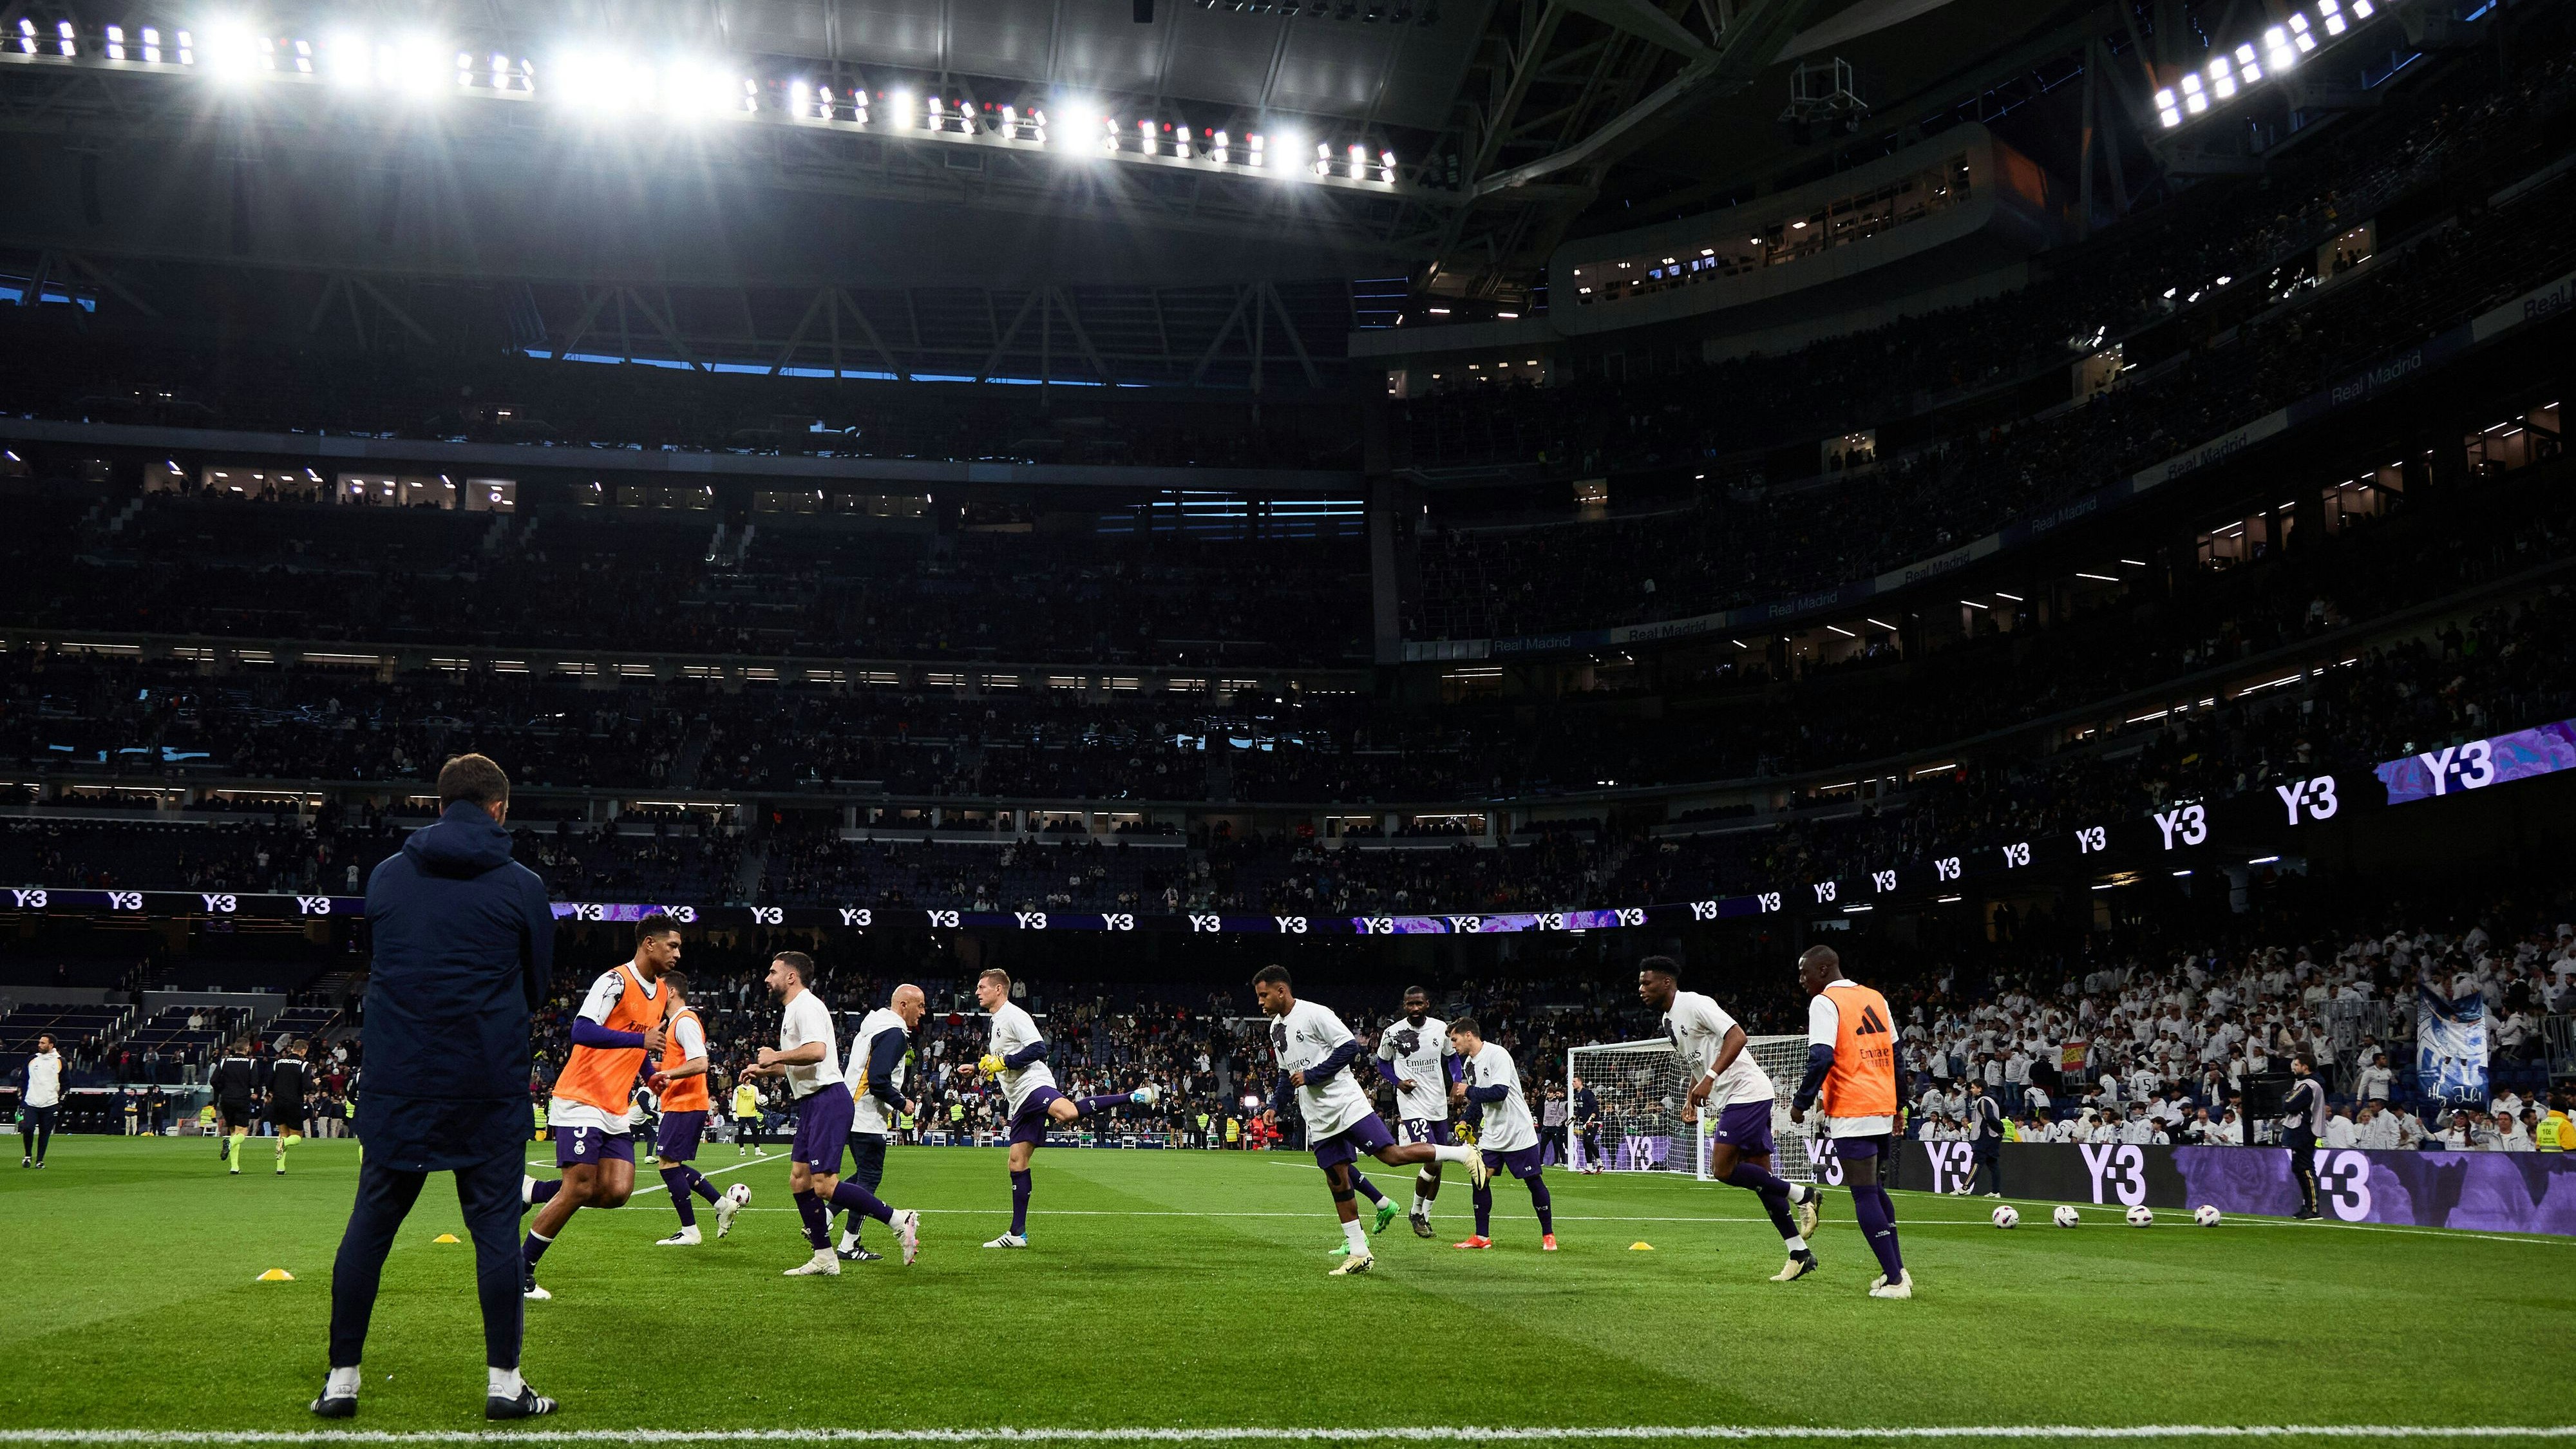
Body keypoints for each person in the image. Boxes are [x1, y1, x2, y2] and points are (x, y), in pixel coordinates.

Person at [313, 753, 558, 1422]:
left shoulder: (388, 877)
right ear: (500, 808)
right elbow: (537, 983)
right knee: (493, 1238)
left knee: (369, 1230)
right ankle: (505, 1384)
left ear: (436, 802)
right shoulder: (521, 885)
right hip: (485, 1083)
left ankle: (342, 1380)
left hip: (399, 1083)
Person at [1251, 965, 1486, 1276]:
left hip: (1346, 1104)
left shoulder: (1315, 1014)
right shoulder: (1275, 1028)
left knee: (1391, 1156)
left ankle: (1463, 1154)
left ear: (1281, 991)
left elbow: (1350, 1048)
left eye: (1264, 995)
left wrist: (1312, 1075)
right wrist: (1274, 1104)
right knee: (1337, 1180)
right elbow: (1285, 1072)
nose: (1260, 1002)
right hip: (1318, 1115)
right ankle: (1359, 1252)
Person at [518, 916, 679, 1298]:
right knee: (579, 1188)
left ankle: (529, 1192)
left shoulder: (659, 992)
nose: (677, 953)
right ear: (649, 944)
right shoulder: (614, 981)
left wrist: (649, 1074)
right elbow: (582, 1030)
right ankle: (520, 1269)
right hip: (582, 1097)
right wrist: (641, 1045)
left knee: (615, 1192)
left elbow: (640, 1040)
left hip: (614, 1105)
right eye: (672, 945)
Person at [1638, 957, 1822, 1280]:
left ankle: (1802, 1194)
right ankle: (1799, 1253)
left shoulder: (1695, 1003)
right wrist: (1690, 1097)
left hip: (1747, 1093)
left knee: (1722, 1169)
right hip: (1732, 1098)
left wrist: (1709, 1078)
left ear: (1666, 982)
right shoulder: (1669, 1020)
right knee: (1764, 1184)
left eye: (1646, 983)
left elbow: (1738, 1037)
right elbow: (1697, 1061)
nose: (1641, 989)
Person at [737, 952, 920, 1276]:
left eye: (773, 972)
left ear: (792, 977)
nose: (767, 979)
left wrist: (774, 1055)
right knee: (799, 1180)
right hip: (812, 1101)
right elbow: (805, 1062)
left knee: (823, 1185)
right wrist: (765, 1070)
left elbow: (817, 1051)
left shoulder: (805, 1006)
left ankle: (897, 1219)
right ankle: (824, 1256)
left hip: (827, 1100)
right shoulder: (796, 1008)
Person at [972, 968, 1158, 1249]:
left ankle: (1132, 1097)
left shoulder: (1014, 1015)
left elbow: (1038, 1049)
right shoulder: (997, 1021)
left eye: (982, 987)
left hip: (1033, 1085)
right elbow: (1002, 1058)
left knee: (1068, 1113)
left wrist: (1005, 1062)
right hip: (1018, 1100)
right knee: (1016, 1162)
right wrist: (980, 1067)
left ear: (999, 990)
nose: (977, 992)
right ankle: (1017, 1234)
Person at [1790, 945, 1913, 1300]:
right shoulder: (1874, 997)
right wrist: (1900, 1106)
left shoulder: (1825, 1002)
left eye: (1805, 973)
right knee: (1875, 1189)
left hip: (1853, 1107)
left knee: (1863, 1193)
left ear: (1825, 969)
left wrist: (1801, 1102)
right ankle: (1898, 1271)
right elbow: (1897, 1054)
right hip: (1882, 1103)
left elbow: (1822, 1056)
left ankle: (1895, 1281)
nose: (1802, 980)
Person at [647, 972, 744, 1246]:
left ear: (673, 991)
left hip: (686, 1103)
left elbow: (701, 1063)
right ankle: (720, 1204)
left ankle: (690, 1230)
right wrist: (647, 1067)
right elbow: (678, 1064)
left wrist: (666, 1075)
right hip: (682, 1103)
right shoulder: (677, 1023)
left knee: (667, 1164)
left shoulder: (685, 1022)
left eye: (659, 987)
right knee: (672, 1164)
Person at [1445, 1017, 1555, 1251]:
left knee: (1533, 1181)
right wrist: (1466, 1119)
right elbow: (1478, 1099)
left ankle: (1548, 1236)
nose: (1453, 1045)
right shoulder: (1468, 1064)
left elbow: (1499, 1092)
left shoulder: (1498, 1055)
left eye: (1454, 1040)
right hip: (1493, 1134)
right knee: (1480, 1178)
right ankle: (1482, 1237)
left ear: (1468, 1035)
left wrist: (1468, 1090)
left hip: (1517, 1131)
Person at [836, 983, 927, 1261]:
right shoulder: (895, 1033)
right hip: (867, 1116)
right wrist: (903, 1103)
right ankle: (848, 1243)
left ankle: (827, 1219)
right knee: (870, 1178)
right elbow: (878, 1080)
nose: (923, 1012)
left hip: (850, 1110)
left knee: (863, 1175)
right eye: (920, 1005)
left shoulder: (873, 1026)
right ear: (903, 1005)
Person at [1374, 986, 1457, 1238]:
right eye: (1410, 1004)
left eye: (1419, 1004)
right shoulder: (1393, 1032)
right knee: (1432, 1157)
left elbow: (1452, 1058)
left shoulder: (1440, 1029)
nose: (1415, 1008)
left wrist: (1458, 1081)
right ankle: (1416, 1212)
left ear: (1427, 1004)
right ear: (1405, 1005)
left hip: (1438, 1103)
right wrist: (1398, 1082)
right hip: (1412, 1104)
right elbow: (1382, 1062)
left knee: (1438, 1164)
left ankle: (1425, 1216)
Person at [2280, 1054, 2327, 1220]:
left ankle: (2314, 1209)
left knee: (2306, 1168)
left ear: (2305, 1067)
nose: (2294, 1068)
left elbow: (2289, 1104)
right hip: (2299, 1131)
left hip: (2305, 1130)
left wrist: (2286, 1097)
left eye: (2296, 1065)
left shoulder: (2309, 1085)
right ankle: (2307, 1206)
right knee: (2299, 1168)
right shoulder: (2302, 1084)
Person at [210, 1039, 259, 1174]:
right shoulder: (251, 1062)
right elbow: (254, 1082)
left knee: (233, 1132)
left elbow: (213, 1080)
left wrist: (223, 1090)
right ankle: (229, 1144)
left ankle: (234, 1167)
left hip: (226, 1099)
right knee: (242, 1132)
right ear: (247, 1048)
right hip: (242, 1099)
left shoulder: (224, 1061)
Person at [269, 1039, 313, 1176]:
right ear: (303, 1050)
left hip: (278, 1102)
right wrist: (315, 1084)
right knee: (297, 1137)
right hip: (293, 1103)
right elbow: (307, 1086)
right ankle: (283, 1144)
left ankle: (280, 1168)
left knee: (282, 1134)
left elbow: (269, 1083)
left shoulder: (278, 1063)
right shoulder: (304, 1064)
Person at [19, 1032, 61, 1168]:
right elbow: (23, 1080)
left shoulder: (60, 1061)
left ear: (51, 1045)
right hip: (32, 1102)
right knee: (28, 1128)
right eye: (39, 1042)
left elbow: (66, 1083)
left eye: (43, 1043)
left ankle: (40, 1160)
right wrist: (22, 1099)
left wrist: (60, 1102)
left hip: (50, 1103)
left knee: (45, 1132)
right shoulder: (32, 1059)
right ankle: (28, 1156)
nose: (40, 1045)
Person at [1964, 1080, 2005, 1197]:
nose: (1971, 1090)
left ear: (1980, 1089)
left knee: (1977, 1161)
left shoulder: (1983, 1101)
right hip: (1993, 1137)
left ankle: (1965, 1187)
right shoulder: (1992, 1100)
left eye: (1973, 1088)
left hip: (1984, 1137)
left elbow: (1989, 1118)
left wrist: (2000, 1129)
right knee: (1993, 1163)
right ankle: (1996, 1191)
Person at [1571, 1075, 1603, 1173]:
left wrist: (1591, 1118)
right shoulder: (1576, 1095)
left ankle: (1600, 1164)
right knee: (1586, 1144)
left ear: (1580, 1082)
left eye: (1574, 1081)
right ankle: (1589, 1167)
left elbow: (1596, 1107)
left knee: (1589, 1142)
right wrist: (1573, 1118)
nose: (1573, 1083)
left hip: (1594, 1121)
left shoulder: (1587, 1093)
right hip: (1585, 1123)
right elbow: (1580, 1111)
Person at [731, 1075, 763, 1153]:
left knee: (755, 1131)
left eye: (749, 1079)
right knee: (741, 1132)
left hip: (751, 1113)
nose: (748, 1081)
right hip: (741, 1113)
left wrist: (762, 1102)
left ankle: (757, 1150)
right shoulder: (738, 1089)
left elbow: (757, 1100)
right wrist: (734, 1112)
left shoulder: (754, 1088)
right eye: (746, 1079)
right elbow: (734, 1100)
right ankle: (742, 1150)